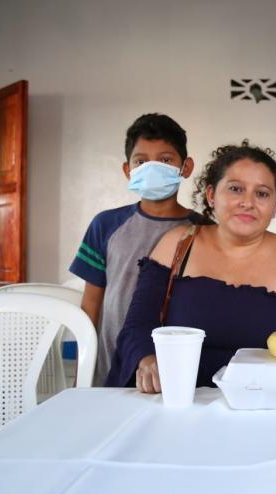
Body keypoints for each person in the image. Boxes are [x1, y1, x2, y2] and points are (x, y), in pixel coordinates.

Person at [106, 141, 276, 391]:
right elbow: (137, 326)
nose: (248, 202)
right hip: (176, 395)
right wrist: (147, 360)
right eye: (235, 189)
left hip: (266, 401)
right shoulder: (177, 244)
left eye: (262, 193)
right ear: (211, 195)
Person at [69, 113, 205, 386]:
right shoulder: (105, 225)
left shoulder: (204, 230)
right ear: (127, 169)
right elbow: (91, 305)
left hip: (178, 371)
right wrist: (81, 374)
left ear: (186, 167)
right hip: (111, 371)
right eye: (141, 161)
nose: (152, 168)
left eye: (165, 160)